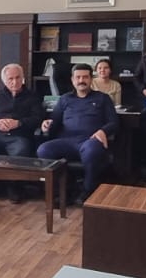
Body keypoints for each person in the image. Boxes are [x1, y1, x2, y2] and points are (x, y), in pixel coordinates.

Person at [37, 63, 118, 202]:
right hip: (67, 141)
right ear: (72, 80)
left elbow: (114, 122)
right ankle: (64, 190)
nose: (81, 80)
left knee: (91, 150)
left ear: (91, 79)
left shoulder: (103, 98)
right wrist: (47, 124)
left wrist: (103, 131)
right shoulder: (65, 99)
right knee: (43, 150)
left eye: (85, 77)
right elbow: (54, 121)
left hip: (90, 140)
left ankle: (88, 191)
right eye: (78, 77)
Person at [0, 63, 41, 203]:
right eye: (11, 78)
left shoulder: (33, 96)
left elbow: (37, 118)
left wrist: (19, 123)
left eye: (18, 77)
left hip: (19, 136)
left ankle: (14, 186)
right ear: (4, 80)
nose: (15, 82)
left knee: (20, 151)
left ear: (23, 78)